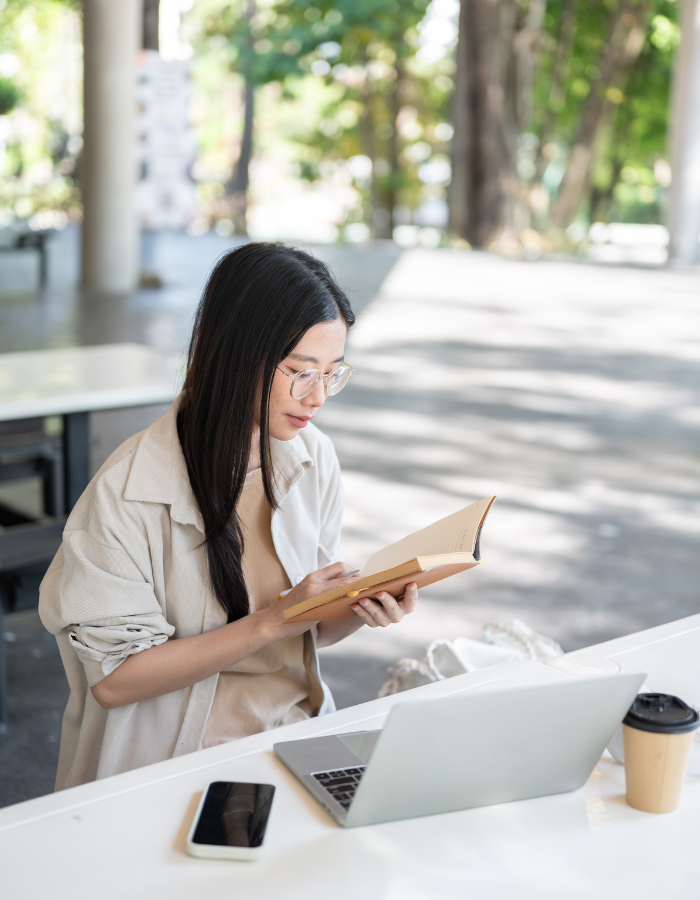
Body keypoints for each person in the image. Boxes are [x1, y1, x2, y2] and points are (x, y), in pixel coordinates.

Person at [39, 243, 419, 790]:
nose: (317, 397)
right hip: (181, 761)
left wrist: (360, 606)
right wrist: (275, 619)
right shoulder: (127, 493)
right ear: (237, 355)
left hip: (296, 735)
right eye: (300, 372)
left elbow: (308, 632)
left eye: (333, 374)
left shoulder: (314, 458)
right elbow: (116, 681)